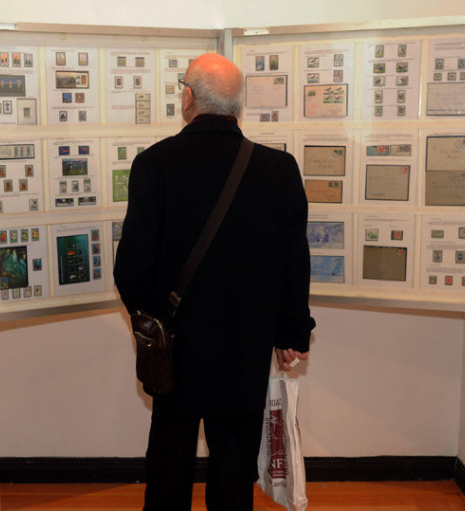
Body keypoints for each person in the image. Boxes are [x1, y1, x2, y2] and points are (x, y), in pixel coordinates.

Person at [113, 53, 315, 511]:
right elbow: (294, 262)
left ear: (188, 97)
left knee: (169, 460)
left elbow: (131, 267)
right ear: (236, 106)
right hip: (246, 344)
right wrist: (290, 333)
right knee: (233, 465)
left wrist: (152, 322)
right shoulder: (279, 170)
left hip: (176, 345)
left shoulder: (154, 165)